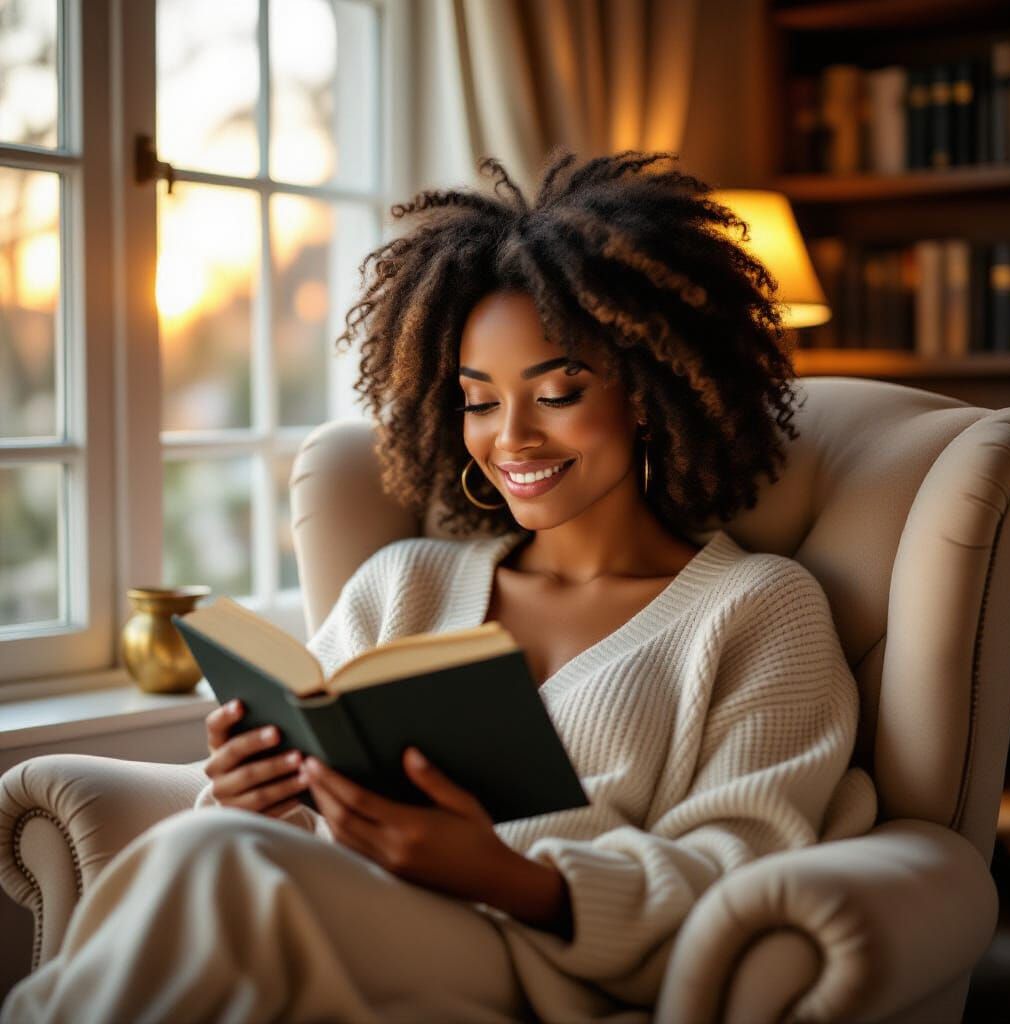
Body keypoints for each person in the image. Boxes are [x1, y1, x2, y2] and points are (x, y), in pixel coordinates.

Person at [1, 148, 878, 1023]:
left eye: (560, 390)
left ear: (647, 392)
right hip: (333, 915)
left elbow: (742, 866)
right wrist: (244, 792)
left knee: (224, 865)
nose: (513, 439)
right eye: (479, 400)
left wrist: (504, 874)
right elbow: (300, 809)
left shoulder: (758, 610)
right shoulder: (403, 584)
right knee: (216, 844)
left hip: (538, 965)